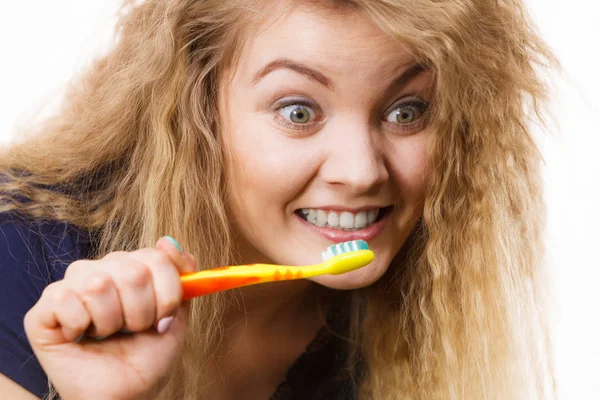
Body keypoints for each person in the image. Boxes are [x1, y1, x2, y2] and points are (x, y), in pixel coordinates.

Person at [0, 0, 560, 399]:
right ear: (196, 111)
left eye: (406, 111)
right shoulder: (21, 254)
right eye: (298, 112)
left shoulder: (401, 318)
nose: (361, 171)